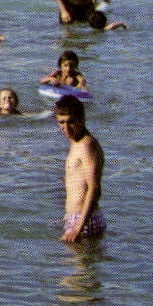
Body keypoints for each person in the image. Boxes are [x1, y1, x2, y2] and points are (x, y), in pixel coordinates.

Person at [54, 96, 105, 242]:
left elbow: (94, 188)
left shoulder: (86, 145)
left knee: (81, 264)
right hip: (78, 218)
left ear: (82, 119)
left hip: (84, 221)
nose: (66, 127)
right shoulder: (76, 142)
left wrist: (78, 227)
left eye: (71, 122)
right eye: (61, 122)